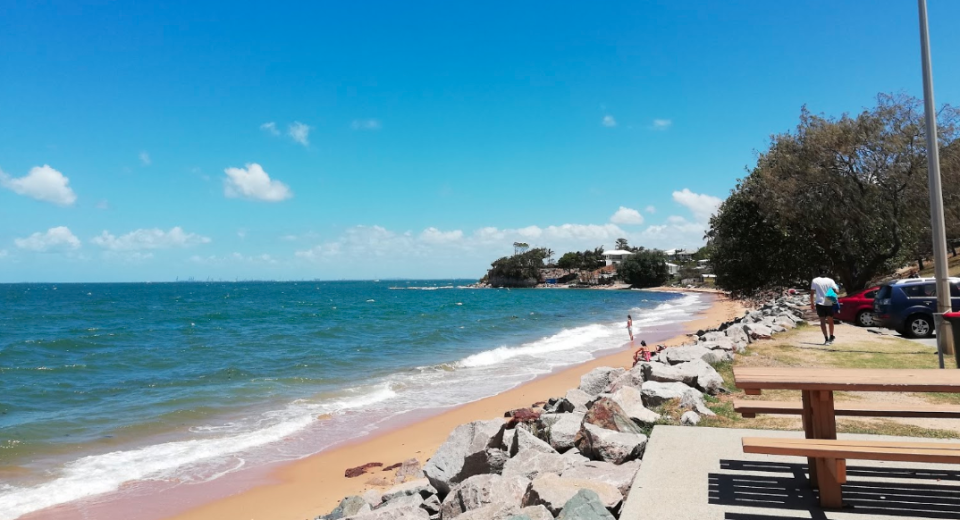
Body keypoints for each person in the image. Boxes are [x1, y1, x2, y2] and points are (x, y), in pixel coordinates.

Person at [810, 269, 840, 345]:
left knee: (822, 321)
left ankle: (826, 339)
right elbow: (837, 291)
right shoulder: (830, 281)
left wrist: (812, 303)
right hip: (829, 303)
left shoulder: (815, 280)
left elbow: (812, 293)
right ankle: (831, 336)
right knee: (830, 320)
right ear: (827, 272)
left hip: (819, 303)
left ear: (819, 272)